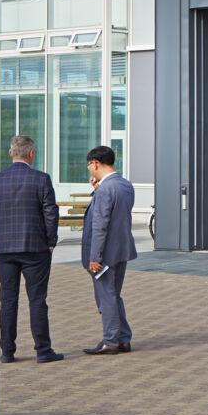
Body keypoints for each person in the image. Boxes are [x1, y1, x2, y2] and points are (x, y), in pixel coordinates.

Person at [0, 135, 62, 364]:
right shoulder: (41, 179)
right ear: (31, 154)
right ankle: (43, 350)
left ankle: (7, 351)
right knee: (37, 299)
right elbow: (51, 213)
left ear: (11, 153)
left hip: (5, 249)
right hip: (36, 248)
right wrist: (50, 241)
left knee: (8, 300)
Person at [82, 145, 138, 356]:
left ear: (96, 164)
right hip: (121, 249)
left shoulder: (106, 189)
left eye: (89, 165)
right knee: (114, 295)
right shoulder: (125, 185)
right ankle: (123, 338)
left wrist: (94, 257)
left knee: (106, 297)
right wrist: (97, 191)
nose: (89, 169)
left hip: (105, 254)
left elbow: (100, 225)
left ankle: (111, 340)